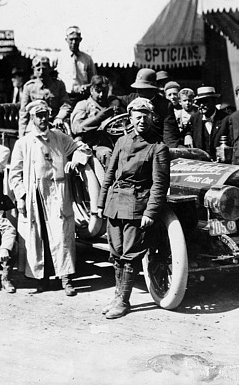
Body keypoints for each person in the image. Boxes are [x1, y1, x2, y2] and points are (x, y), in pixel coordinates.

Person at [96, 97, 170, 319]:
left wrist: (150, 212)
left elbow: (160, 184)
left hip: (137, 206)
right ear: (130, 118)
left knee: (130, 255)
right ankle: (117, 296)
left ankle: (123, 302)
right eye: (137, 117)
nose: (141, 121)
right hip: (114, 205)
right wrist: (100, 203)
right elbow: (109, 175)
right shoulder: (122, 142)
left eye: (145, 116)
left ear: (152, 118)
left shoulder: (158, 147)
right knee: (116, 254)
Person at [9, 100, 91, 296]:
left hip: (58, 193)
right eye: (39, 115)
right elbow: (15, 174)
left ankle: (66, 279)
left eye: (45, 114)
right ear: (32, 118)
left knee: (62, 235)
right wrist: (20, 197)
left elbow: (81, 149)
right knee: (41, 237)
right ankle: (43, 279)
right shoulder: (24, 143)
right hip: (36, 194)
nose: (43, 119)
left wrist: (75, 160)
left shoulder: (59, 137)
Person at [70, 75, 118, 167]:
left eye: (104, 91)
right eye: (98, 91)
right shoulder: (83, 105)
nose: (101, 95)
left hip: (115, 141)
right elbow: (76, 128)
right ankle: (109, 181)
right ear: (91, 90)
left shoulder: (112, 105)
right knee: (106, 154)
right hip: (94, 145)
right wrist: (98, 118)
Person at [18, 56, 71, 136]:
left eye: (44, 69)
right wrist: (22, 135)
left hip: (54, 124)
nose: (41, 72)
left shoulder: (58, 85)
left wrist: (59, 117)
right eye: (38, 69)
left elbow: (66, 105)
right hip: (34, 125)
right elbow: (23, 112)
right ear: (34, 70)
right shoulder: (29, 87)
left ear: (49, 69)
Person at [123, 69, 172, 140]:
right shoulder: (132, 97)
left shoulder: (165, 105)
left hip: (155, 143)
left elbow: (169, 133)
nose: (139, 92)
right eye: (137, 88)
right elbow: (115, 99)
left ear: (153, 89)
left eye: (143, 89)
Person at [184, 87, 229, 159]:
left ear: (214, 101)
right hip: (201, 163)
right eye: (199, 102)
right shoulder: (195, 118)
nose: (201, 105)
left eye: (205, 101)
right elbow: (188, 130)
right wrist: (188, 135)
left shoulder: (225, 119)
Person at [56, 26, 97, 103]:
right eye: (71, 39)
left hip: (82, 97)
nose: (74, 42)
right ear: (66, 40)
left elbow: (94, 80)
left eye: (76, 39)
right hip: (64, 97)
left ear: (80, 40)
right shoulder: (59, 58)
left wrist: (87, 86)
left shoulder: (87, 58)